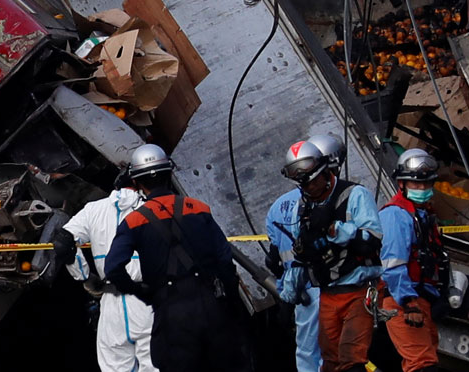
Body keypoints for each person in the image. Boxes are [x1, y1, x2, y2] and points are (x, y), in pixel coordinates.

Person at [103, 145, 248, 372]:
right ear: (169, 173)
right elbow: (224, 259)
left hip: (172, 313)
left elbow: (113, 269)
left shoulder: (133, 222)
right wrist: (229, 301)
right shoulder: (199, 208)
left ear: (138, 182)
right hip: (212, 305)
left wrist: (143, 292)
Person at [279, 139, 383, 372]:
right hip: (328, 293)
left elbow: (372, 240)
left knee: (351, 358)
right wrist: (288, 297)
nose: (310, 189)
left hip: (358, 290)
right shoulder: (304, 207)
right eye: (303, 185)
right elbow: (301, 256)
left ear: (325, 172)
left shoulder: (354, 195)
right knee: (331, 361)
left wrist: (335, 230)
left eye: (314, 181)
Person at [52, 182, 156, 372]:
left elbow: (63, 243)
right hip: (147, 300)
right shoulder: (154, 208)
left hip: (111, 302)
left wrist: (84, 276)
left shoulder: (93, 209)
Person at [266, 138, 344, 372]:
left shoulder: (278, 207)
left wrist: (287, 294)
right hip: (335, 288)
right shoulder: (337, 200)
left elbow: (274, 259)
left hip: (302, 295)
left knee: (308, 355)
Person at [379, 148, 448, 372]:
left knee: (427, 360)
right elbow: (392, 264)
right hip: (403, 301)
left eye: (426, 184)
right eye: (416, 185)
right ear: (402, 184)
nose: (422, 189)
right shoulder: (396, 215)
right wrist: (408, 303)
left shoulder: (423, 214)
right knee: (422, 365)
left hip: (422, 297)